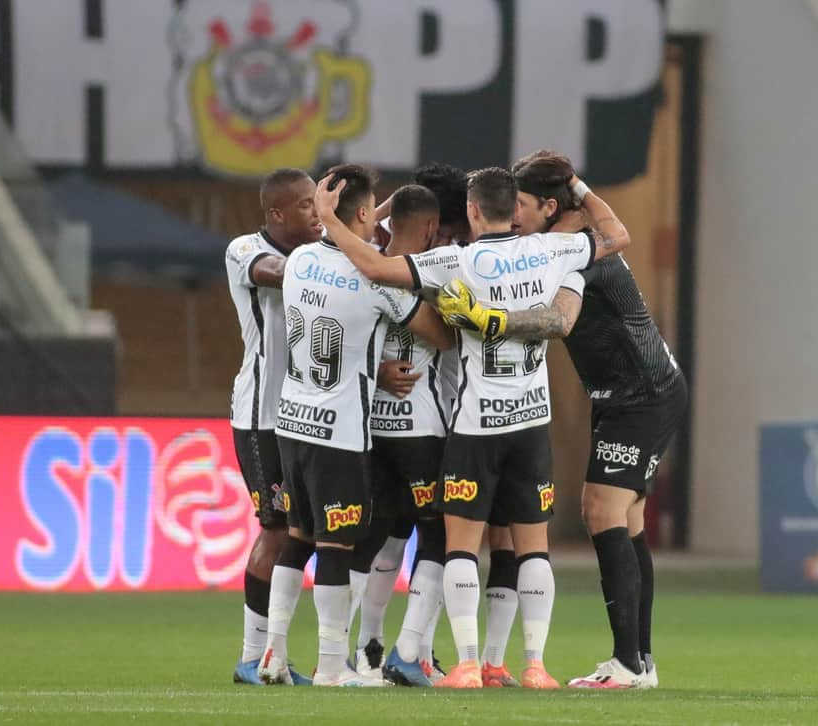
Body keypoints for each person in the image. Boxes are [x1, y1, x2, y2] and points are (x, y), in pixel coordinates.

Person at [314, 164, 631, 689]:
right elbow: (618, 234)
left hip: (475, 426)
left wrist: (332, 220)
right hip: (531, 424)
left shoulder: (456, 260)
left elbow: (375, 267)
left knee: (458, 546)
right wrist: (578, 187)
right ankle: (534, 666)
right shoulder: (552, 250)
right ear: (515, 208)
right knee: (533, 548)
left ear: (473, 210)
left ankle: (464, 664)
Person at [439, 150, 688, 689]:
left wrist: (491, 319)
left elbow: (559, 320)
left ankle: (626, 665)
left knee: (601, 510)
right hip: (623, 394)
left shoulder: (574, 254)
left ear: (550, 206)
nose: (517, 215)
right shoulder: (558, 245)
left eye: (524, 204)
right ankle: (639, 662)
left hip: (641, 395)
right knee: (629, 520)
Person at [257, 164, 454, 688]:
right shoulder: (374, 278)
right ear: (365, 214)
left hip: (291, 423)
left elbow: (348, 233)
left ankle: (273, 653)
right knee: (336, 549)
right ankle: (330, 666)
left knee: (296, 541)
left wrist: (345, 217)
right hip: (339, 433)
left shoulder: (298, 260)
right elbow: (439, 334)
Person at [344, 185, 450, 683]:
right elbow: (444, 337)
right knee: (441, 533)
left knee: (376, 530)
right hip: (419, 429)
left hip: (369, 426)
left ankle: (357, 649)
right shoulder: (431, 274)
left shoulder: (360, 271)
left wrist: (378, 368)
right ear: (431, 229)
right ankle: (410, 653)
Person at [225, 168, 323, 686]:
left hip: (307, 418)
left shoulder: (321, 252)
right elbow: (275, 273)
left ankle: (273, 657)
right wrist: (336, 261)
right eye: (305, 205)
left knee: (304, 532)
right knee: (277, 529)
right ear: (277, 214)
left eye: (317, 203)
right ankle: (252, 656)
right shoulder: (244, 249)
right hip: (261, 416)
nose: (315, 212)